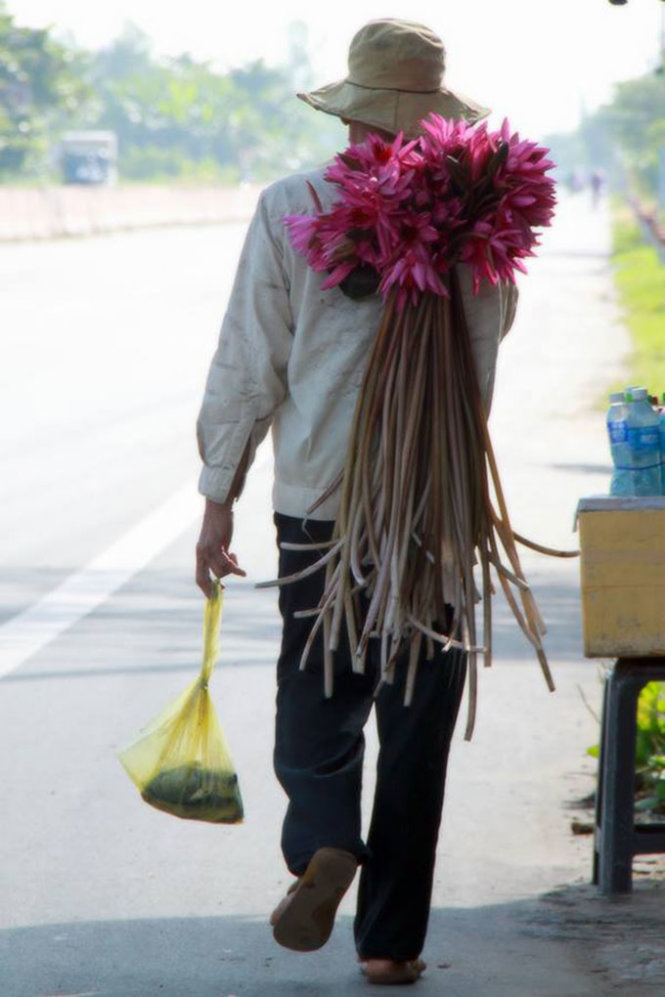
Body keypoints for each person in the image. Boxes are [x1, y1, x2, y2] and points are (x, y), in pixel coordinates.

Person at [195, 18, 517, 987]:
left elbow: (248, 364)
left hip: (320, 504)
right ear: (434, 115)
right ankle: (387, 942)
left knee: (316, 689)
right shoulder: (486, 221)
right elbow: (490, 337)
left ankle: (324, 838)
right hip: (436, 505)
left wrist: (219, 495)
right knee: (416, 720)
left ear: (348, 110)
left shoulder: (290, 204)